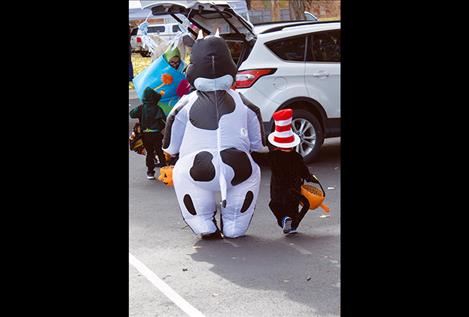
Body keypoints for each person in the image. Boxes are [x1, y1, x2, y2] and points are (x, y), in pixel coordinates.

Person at [267, 109, 315, 234]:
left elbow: (258, 158)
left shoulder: (273, 157)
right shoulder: (297, 157)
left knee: (275, 206)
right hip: (295, 190)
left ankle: (284, 220)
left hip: (278, 191)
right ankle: (293, 225)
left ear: (276, 143)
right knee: (293, 208)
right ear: (292, 143)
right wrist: (310, 178)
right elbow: (305, 172)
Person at [129, 87, 167, 179]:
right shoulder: (157, 108)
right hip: (156, 134)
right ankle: (165, 172)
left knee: (149, 153)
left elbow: (132, 114)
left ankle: (150, 172)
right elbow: (164, 119)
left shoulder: (141, 108)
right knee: (159, 152)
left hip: (145, 135)